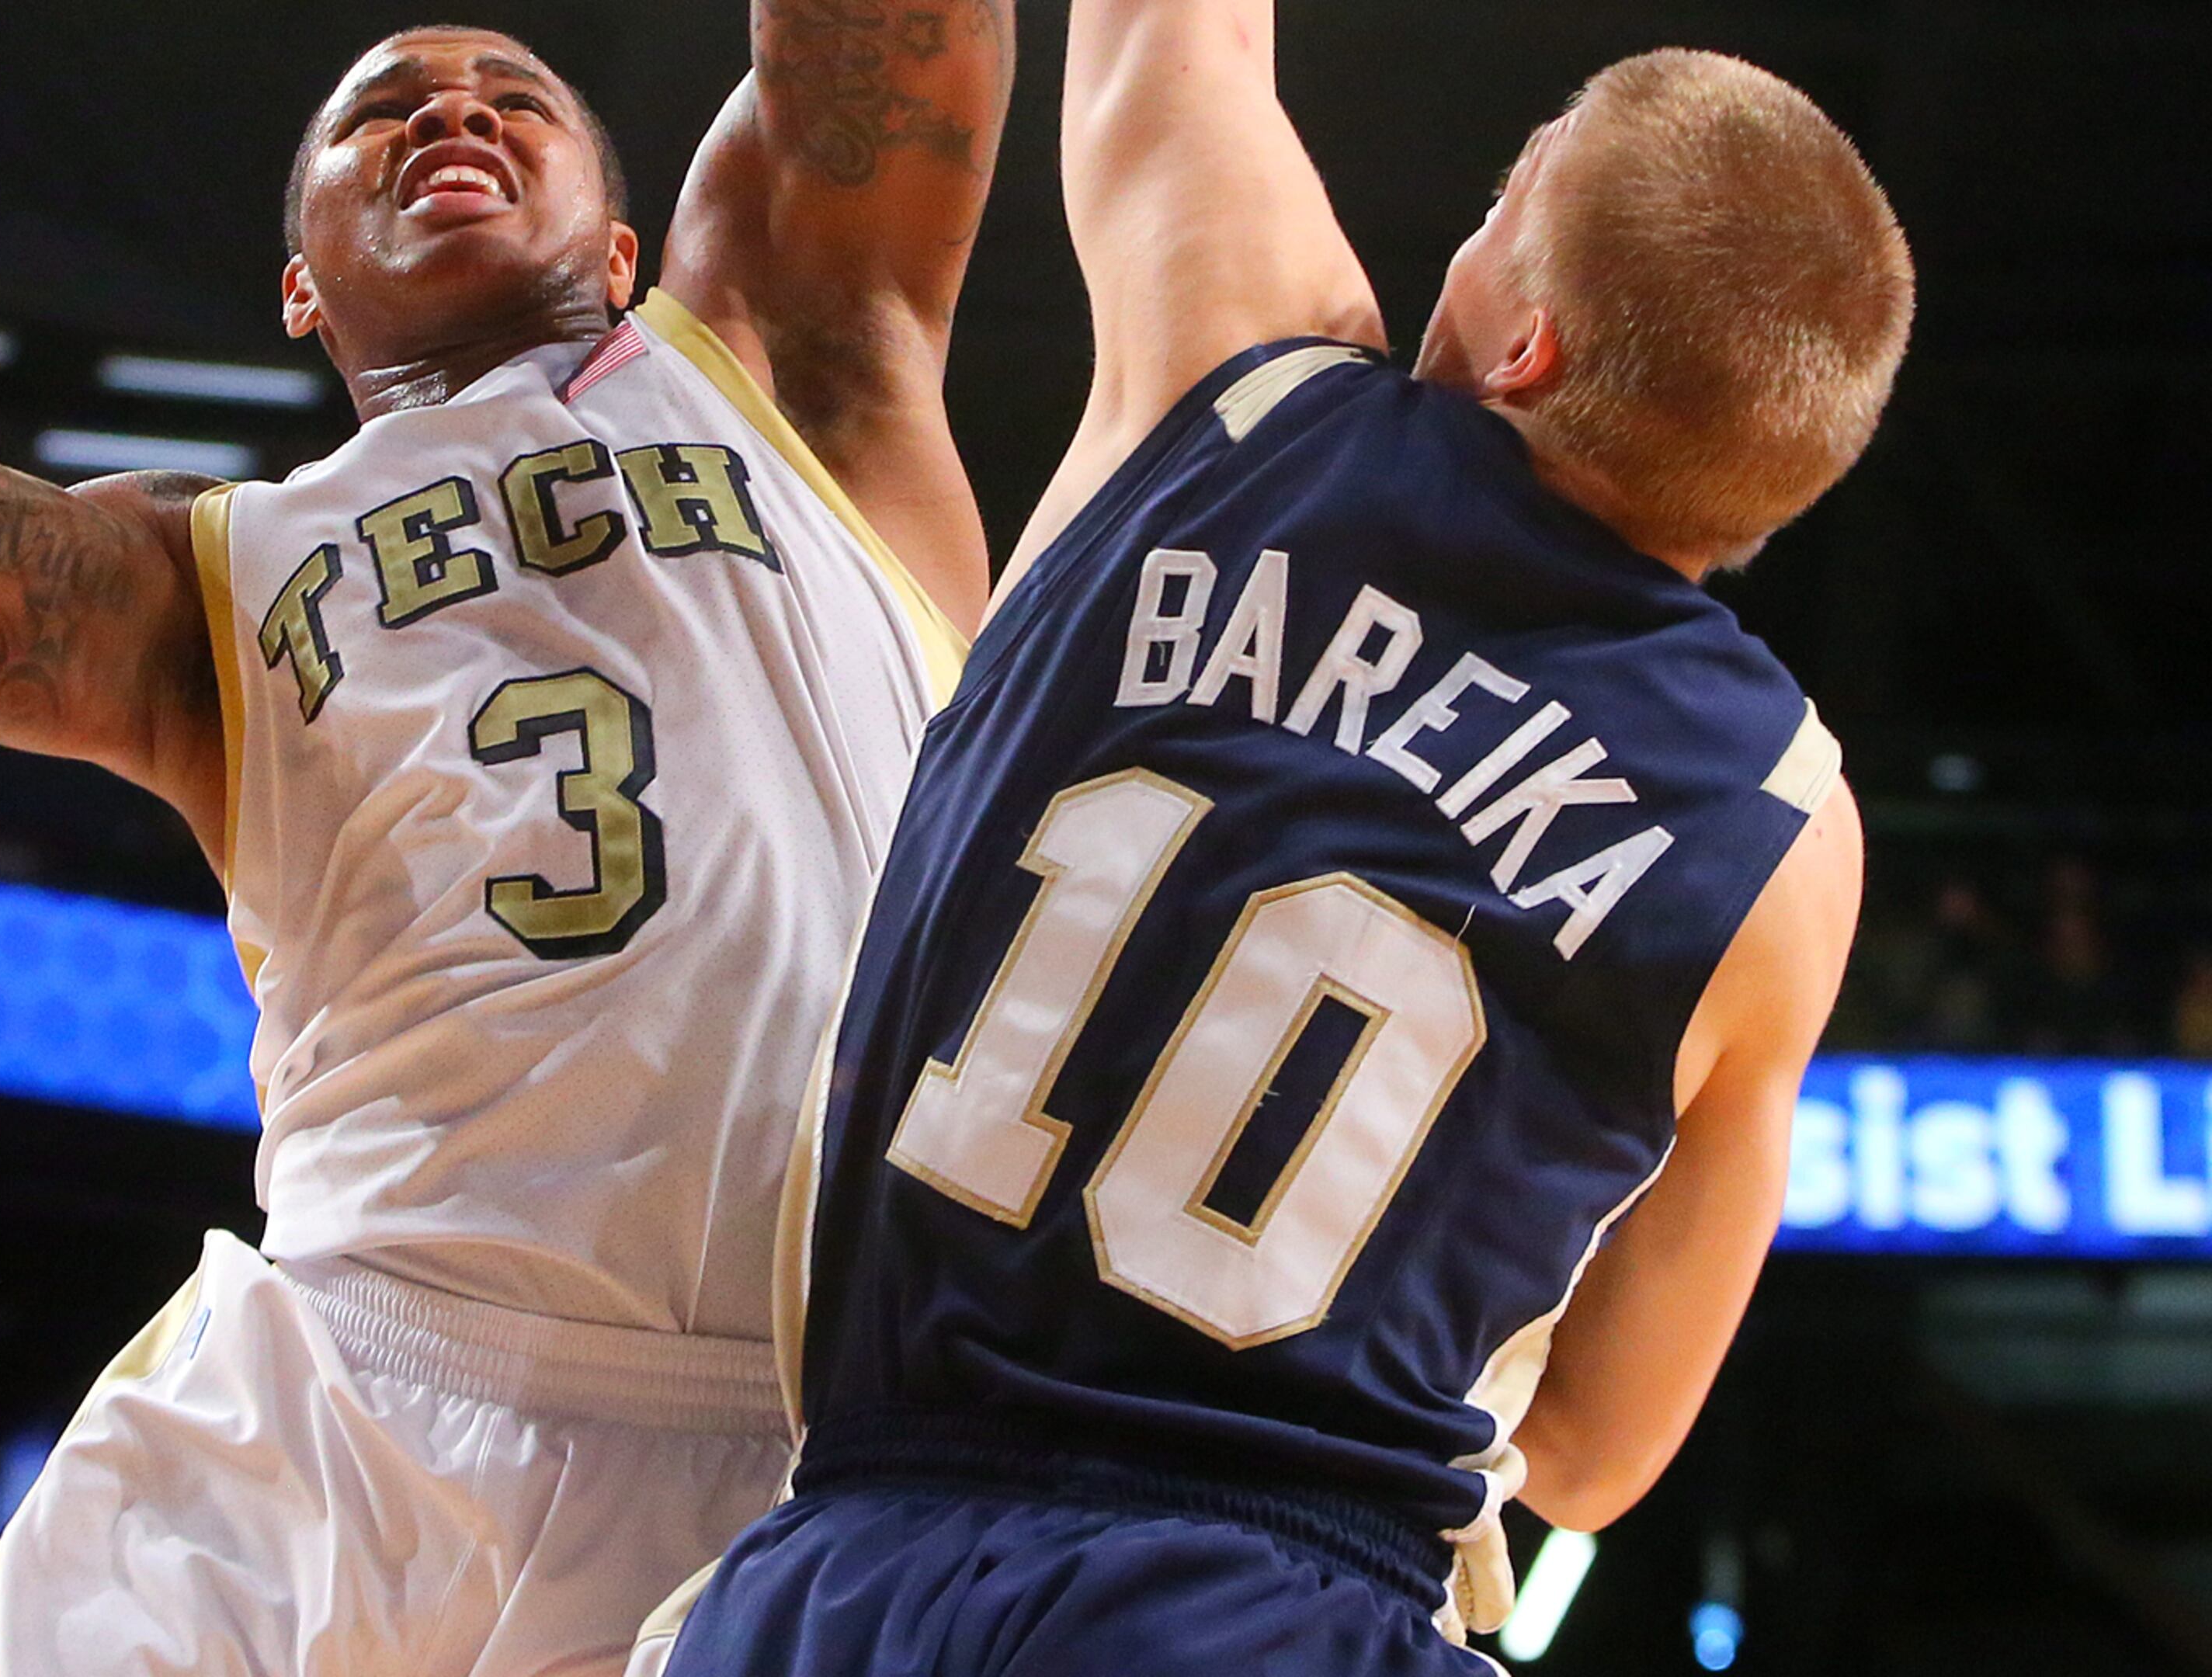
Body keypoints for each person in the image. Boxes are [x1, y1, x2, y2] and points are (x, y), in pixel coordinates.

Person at [0, 0, 1009, 1671]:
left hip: (787, 1446)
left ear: (628, 240)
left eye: (517, 98)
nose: (456, 117)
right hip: (341, 1396)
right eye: (385, 114)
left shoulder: (792, 360)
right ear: (301, 280)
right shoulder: (190, 579)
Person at [657, 6, 1909, 1672]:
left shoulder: (1237, 376)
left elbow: (1170, 38)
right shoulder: (1781, 829)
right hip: (1292, 1609)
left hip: (852, 1580)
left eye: (1502, 199)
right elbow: (1603, 1457)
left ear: (1522, 348)